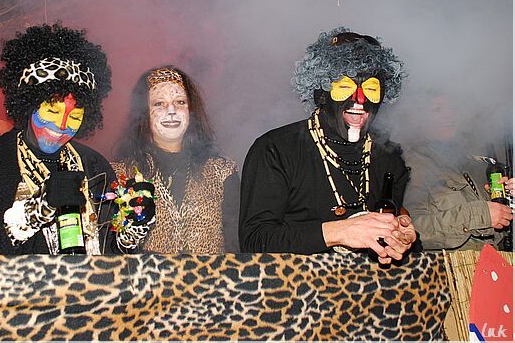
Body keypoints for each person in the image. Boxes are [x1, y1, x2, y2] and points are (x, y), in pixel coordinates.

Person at [0, 23, 152, 255]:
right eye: (52, 111)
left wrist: (132, 227)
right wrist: (39, 208)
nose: (62, 124)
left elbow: (112, 256)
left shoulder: (95, 167)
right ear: (28, 104)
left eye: (74, 116)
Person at [240, 28, 417, 265]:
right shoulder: (275, 150)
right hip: (296, 285)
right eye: (345, 87)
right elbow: (254, 240)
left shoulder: (389, 157)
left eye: (371, 89)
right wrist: (339, 232)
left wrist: (403, 239)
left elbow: (392, 243)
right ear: (321, 93)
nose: (359, 100)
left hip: (368, 286)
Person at [112, 66, 239, 253]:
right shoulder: (120, 175)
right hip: (148, 273)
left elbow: (236, 247)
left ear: (191, 110)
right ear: (143, 114)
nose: (171, 110)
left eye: (180, 102)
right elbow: (111, 252)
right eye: (159, 103)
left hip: (213, 273)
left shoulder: (222, 172)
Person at [402, 94, 513, 250]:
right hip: (446, 264)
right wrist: (478, 215)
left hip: (490, 262)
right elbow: (413, 230)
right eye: (437, 110)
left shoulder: (474, 165)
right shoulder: (411, 164)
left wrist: (508, 202)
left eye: (453, 108)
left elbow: (500, 234)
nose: (449, 115)